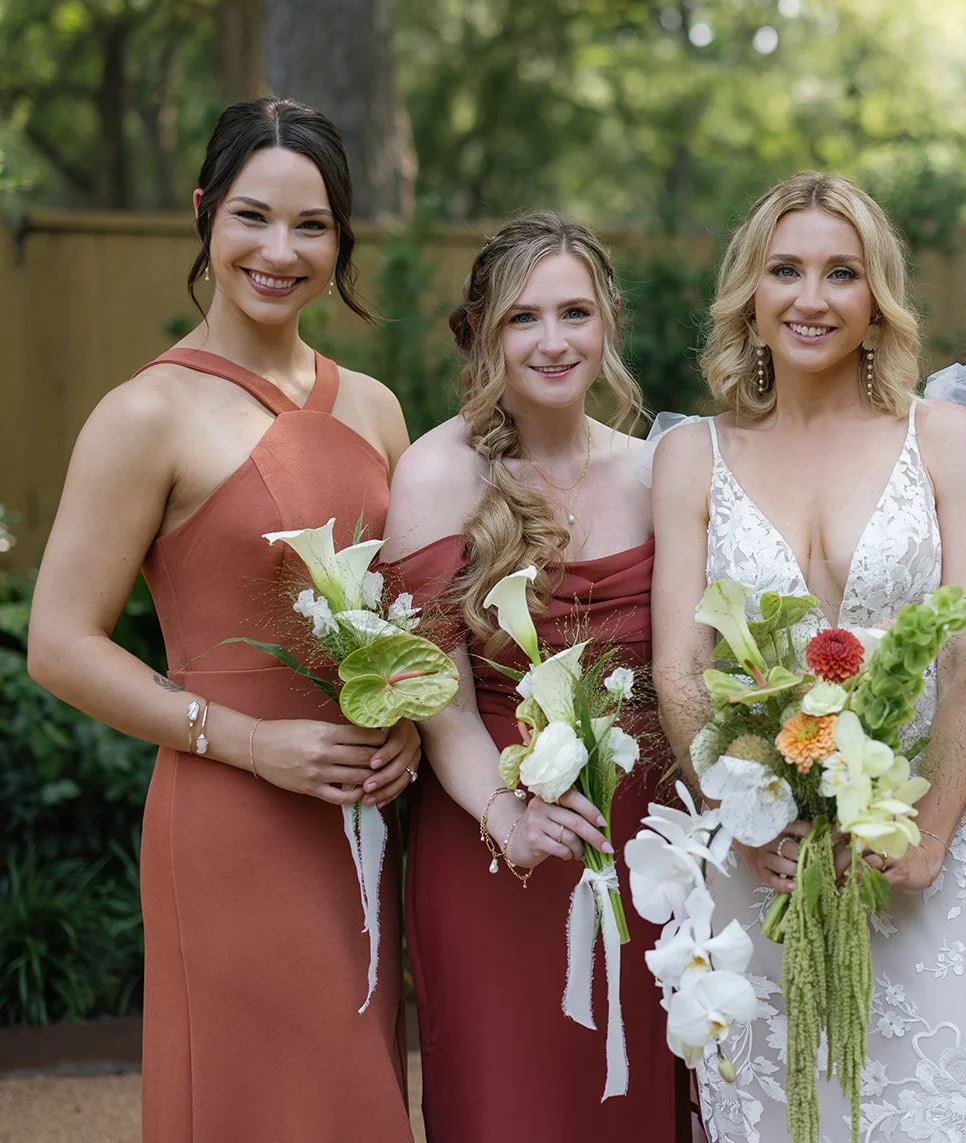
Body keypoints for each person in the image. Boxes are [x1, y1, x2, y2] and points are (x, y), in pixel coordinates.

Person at [26, 97, 417, 1141]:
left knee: (358, 1102)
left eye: (312, 225)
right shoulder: (143, 415)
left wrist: (411, 727)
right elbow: (58, 645)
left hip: (362, 818)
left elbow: (405, 615)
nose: (279, 250)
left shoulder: (375, 409)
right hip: (229, 820)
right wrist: (247, 742)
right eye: (252, 216)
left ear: (341, 240)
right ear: (204, 215)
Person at [651, 171, 966, 1142]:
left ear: (876, 297)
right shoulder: (692, 456)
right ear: (750, 295)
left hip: (915, 856)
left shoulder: (947, 441)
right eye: (787, 271)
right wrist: (744, 818)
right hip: (760, 861)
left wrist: (928, 836)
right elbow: (679, 665)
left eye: (840, 273)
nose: (811, 298)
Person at [382, 212, 682, 1140]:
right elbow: (443, 706)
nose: (552, 342)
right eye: (523, 318)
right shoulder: (436, 474)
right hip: (492, 830)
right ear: (481, 333)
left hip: (648, 843)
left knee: (638, 1095)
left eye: (574, 314)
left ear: (609, 324)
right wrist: (505, 813)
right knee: (511, 1099)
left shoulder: (659, 469)